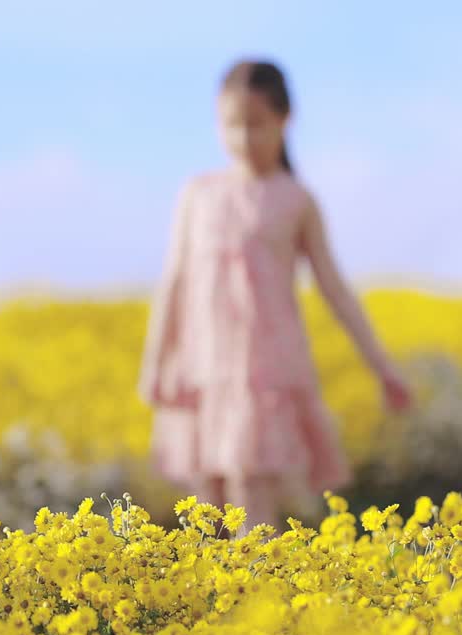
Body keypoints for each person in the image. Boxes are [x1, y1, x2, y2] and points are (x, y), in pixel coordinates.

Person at [138, 58, 412, 532]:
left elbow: (335, 290)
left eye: (256, 125)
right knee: (204, 517)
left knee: (252, 511)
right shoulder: (197, 194)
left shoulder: (296, 200)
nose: (243, 138)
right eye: (231, 125)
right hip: (201, 371)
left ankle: (262, 606)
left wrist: (382, 367)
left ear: (285, 121)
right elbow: (174, 282)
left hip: (263, 373)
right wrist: (155, 363)